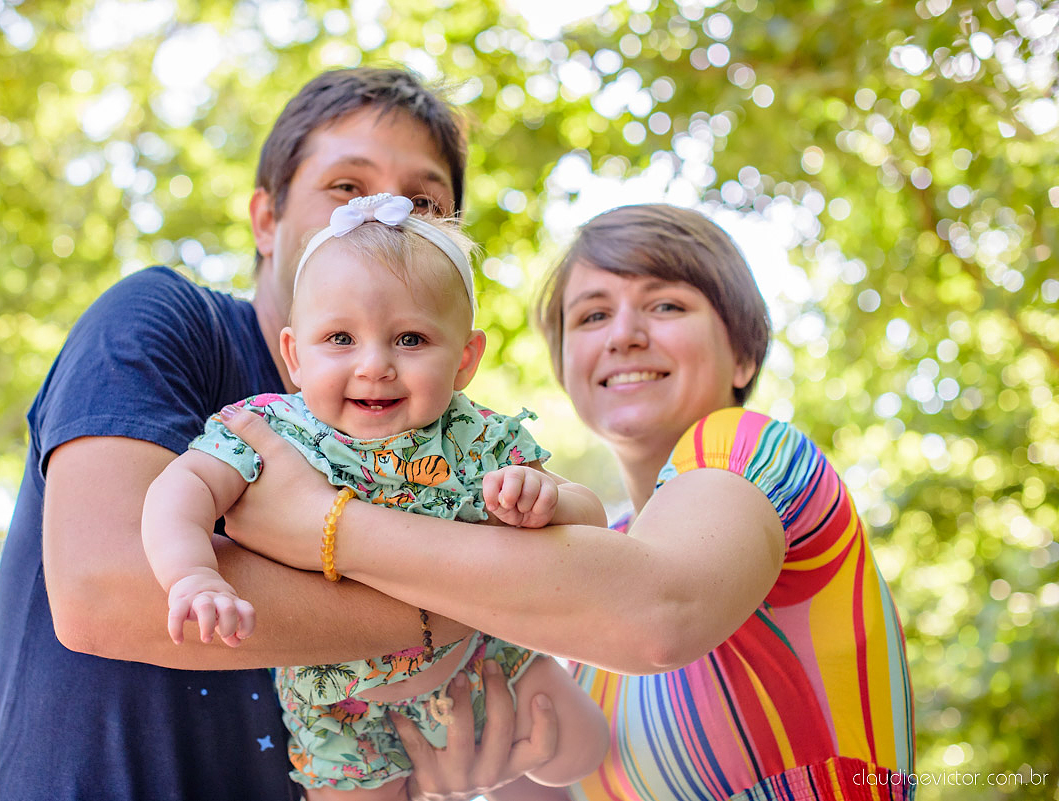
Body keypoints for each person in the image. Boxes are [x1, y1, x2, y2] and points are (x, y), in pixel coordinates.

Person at [0, 68, 559, 801]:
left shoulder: (430, 435)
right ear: (266, 220)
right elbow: (101, 590)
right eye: (347, 186)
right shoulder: (167, 323)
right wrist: (469, 603)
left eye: (423, 202)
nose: (384, 214)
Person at [215, 204, 917, 800]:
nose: (624, 334)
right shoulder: (568, 585)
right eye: (590, 316)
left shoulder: (753, 448)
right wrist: (455, 766)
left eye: (666, 304)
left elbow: (659, 617)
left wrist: (326, 525)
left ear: (742, 353)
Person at [141, 194, 609, 800]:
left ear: (465, 359)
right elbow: (182, 488)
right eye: (339, 337)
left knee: (581, 746)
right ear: (294, 356)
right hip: (340, 704)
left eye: (411, 339)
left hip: (479, 657)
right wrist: (191, 576)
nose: (375, 365)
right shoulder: (272, 431)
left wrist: (544, 498)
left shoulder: (476, 435)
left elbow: (591, 517)